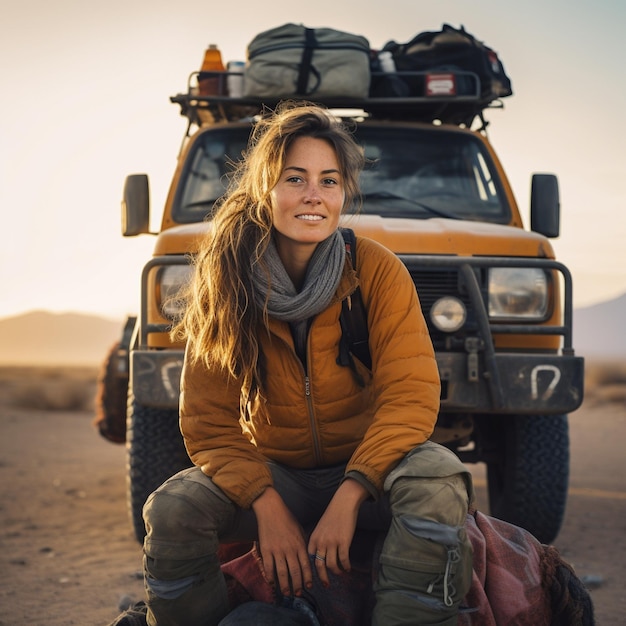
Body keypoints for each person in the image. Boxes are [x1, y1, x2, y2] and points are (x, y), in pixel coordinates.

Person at [141, 101, 474, 626]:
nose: (314, 195)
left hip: (369, 472)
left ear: (344, 192)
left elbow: (410, 397)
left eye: (329, 180)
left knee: (437, 478)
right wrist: (267, 505)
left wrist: (352, 493)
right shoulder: (227, 280)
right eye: (295, 178)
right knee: (172, 508)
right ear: (264, 188)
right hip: (278, 474)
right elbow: (208, 422)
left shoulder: (376, 271)